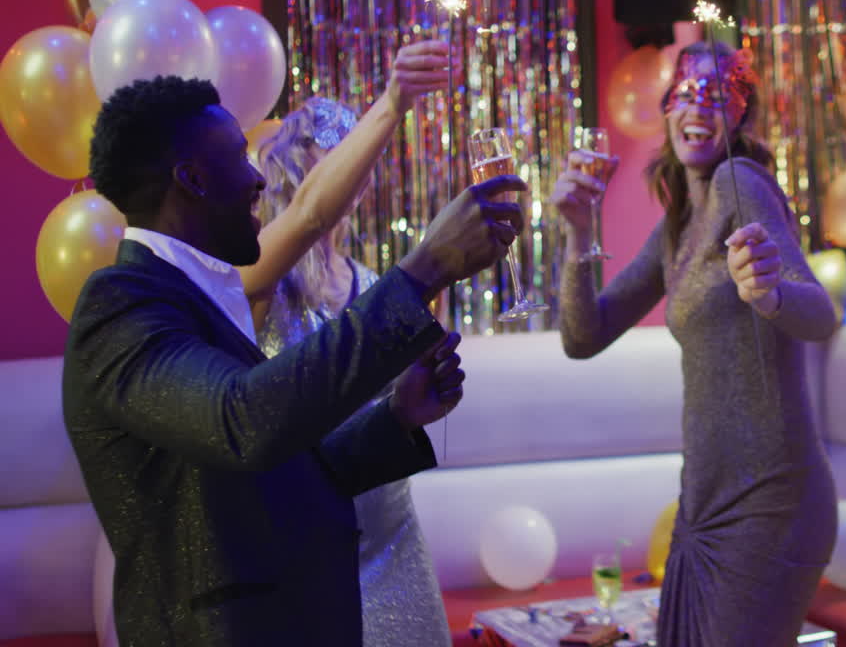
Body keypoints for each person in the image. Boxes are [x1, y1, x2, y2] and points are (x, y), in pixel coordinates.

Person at [63, 74, 525, 646]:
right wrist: (424, 268)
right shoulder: (120, 303)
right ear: (192, 179)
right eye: (238, 156)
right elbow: (243, 422)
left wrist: (397, 418)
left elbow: (278, 477)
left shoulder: (205, 296)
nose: (259, 178)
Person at [551, 41, 838, 646]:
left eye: (716, 95)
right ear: (666, 107)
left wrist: (770, 296)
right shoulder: (678, 225)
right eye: (685, 92)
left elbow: (820, 314)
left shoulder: (740, 181)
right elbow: (583, 337)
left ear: (740, 115)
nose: (698, 107)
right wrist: (578, 236)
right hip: (702, 507)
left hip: (768, 505)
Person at [246, 40, 455, 646]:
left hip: (391, 530)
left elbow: (393, 412)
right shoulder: (262, 282)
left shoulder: (371, 283)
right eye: (336, 154)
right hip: (302, 537)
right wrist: (394, 101)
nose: (357, 168)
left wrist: (420, 385)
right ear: (296, 170)